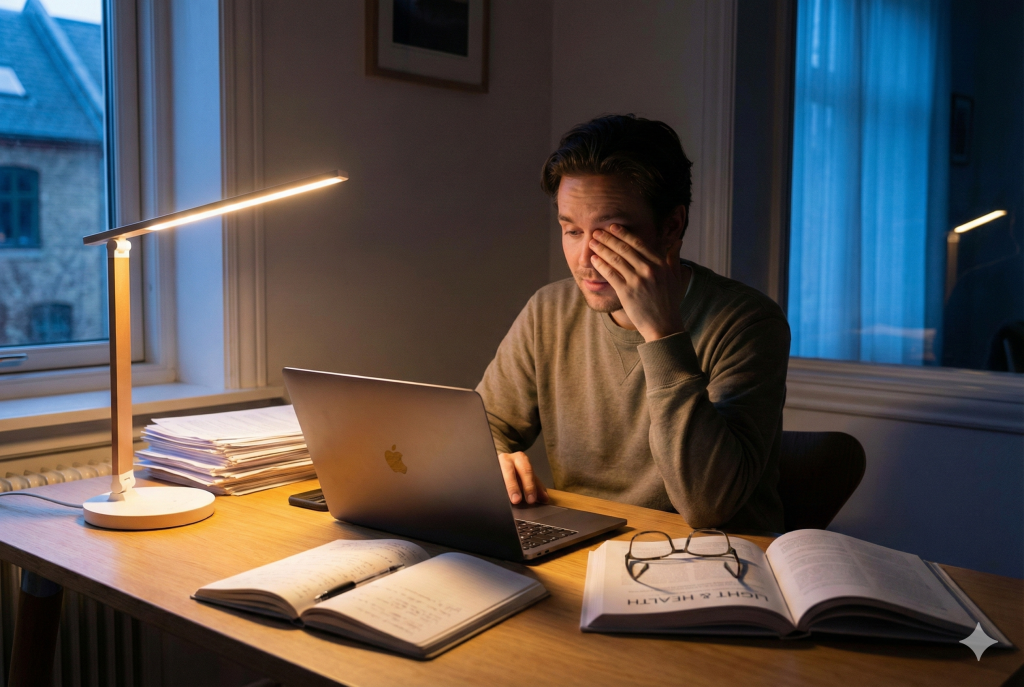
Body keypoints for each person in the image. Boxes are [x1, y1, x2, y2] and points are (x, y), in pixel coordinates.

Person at [476, 114, 790, 532]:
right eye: (571, 231)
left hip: (711, 559)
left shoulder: (748, 322)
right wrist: (493, 458)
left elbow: (708, 506)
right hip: (586, 547)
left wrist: (663, 334)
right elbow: (483, 430)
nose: (585, 258)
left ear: (671, 227)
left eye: (611, 233)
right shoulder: (548, 310)